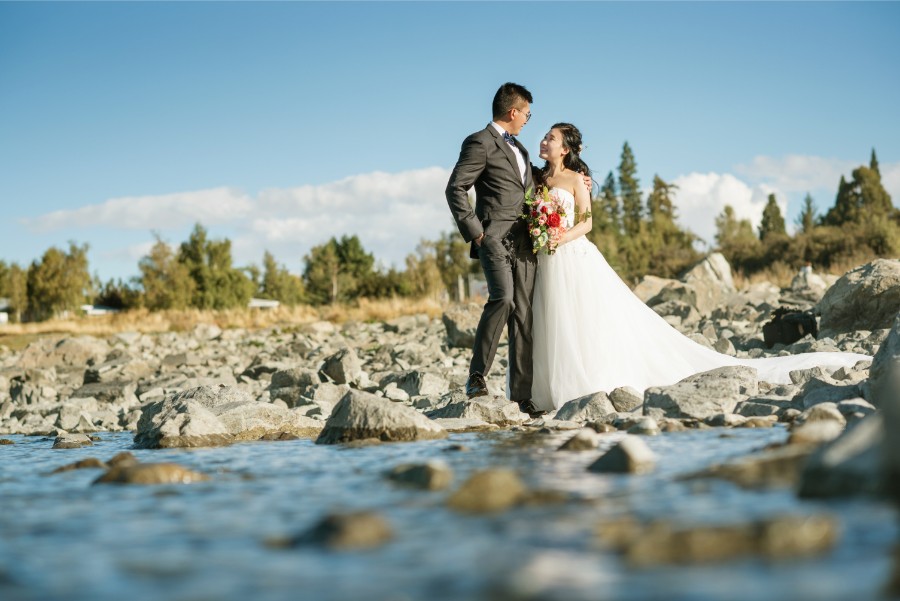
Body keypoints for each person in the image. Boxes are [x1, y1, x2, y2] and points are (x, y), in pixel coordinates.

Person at [529, 122, 871, 411]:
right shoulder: (539, 179)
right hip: (547, 259)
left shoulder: (576, 180)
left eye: (551, 138)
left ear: (566, 149)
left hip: (573, 254)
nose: (544, 141)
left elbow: (587, 223)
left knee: (583, 317)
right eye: (544, 137)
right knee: (554, 317)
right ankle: (547, 389)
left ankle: (584, 385)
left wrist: (561, 238)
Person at [445, 82, 547, 418]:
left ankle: (522, 396)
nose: (527, 121)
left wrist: (577, 178)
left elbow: (530, 185)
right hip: (494, 238)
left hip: (525, 243)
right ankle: (477, 376)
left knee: (524, 316)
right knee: (502, 299)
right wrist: (476, 232)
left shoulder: (521, 150)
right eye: (527, 115)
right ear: (512, 111)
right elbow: (456, 188)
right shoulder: (479, 142)